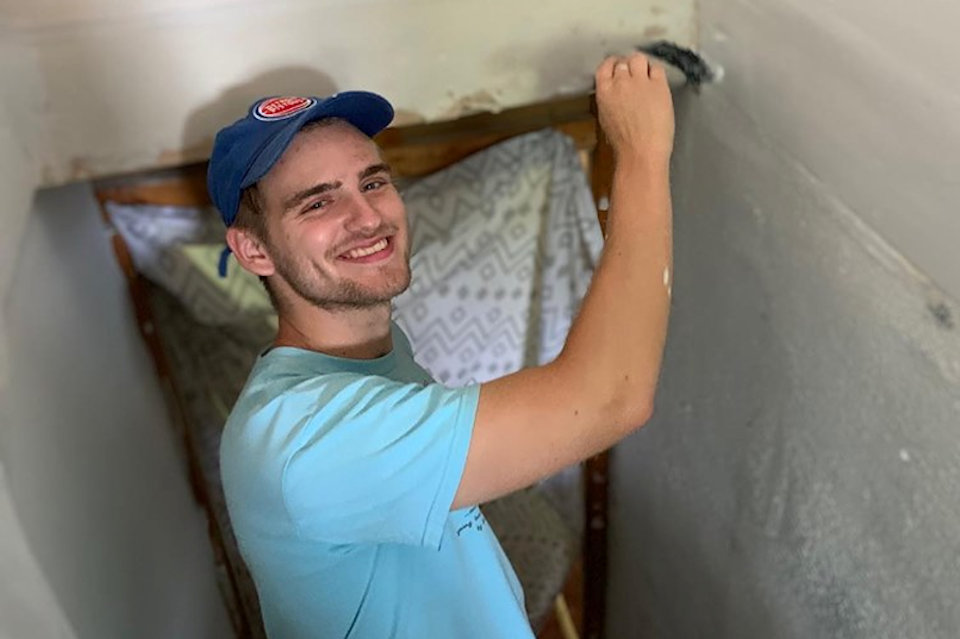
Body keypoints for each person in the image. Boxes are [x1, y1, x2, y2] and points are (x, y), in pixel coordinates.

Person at [207, 52, 674, 639]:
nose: (367, 216)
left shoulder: (373, 353)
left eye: (373, 182)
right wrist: (641, 155)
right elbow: (611, 397)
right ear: (253, 250)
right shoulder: (302, 439)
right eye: (318, 202)